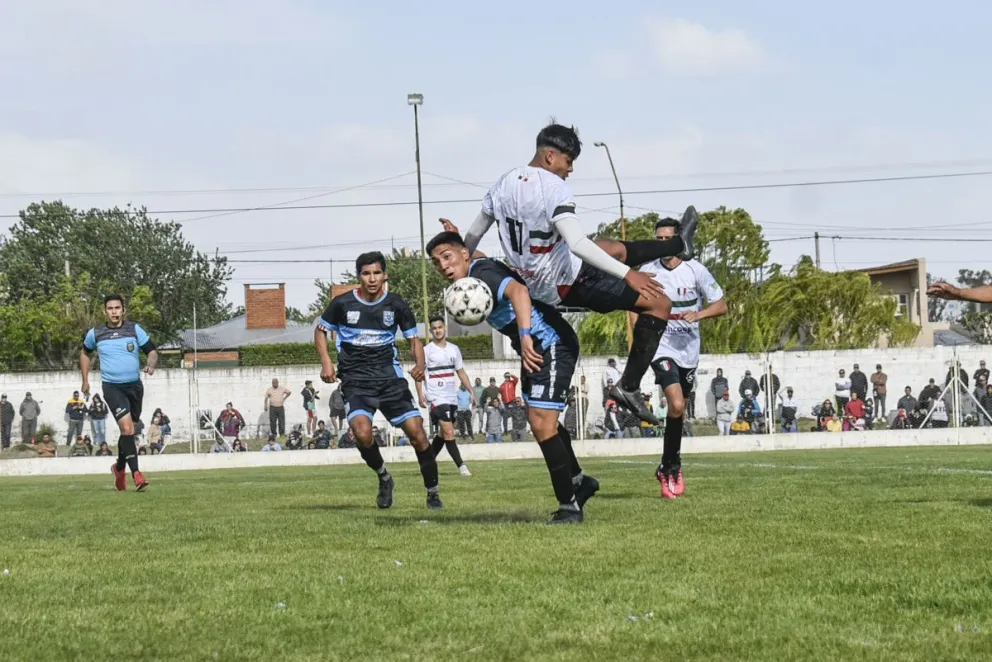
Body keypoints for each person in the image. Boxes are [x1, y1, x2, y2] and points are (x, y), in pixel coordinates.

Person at [440, 122, 698, 425]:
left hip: (535, 275)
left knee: (611, 247)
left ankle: (681, 244)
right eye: (568, 161)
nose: (570, 169)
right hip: (565, 282)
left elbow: (475, 233)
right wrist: (628, 274)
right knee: (659, 304)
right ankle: (628, 387)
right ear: (550, 156)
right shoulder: (554, 188)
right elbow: (576, 244)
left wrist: (461, 254)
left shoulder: (504, 183)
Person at [428, 231, 599, 523]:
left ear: (464, 255)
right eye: (436, 262)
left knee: (541, 424)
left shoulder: (483, 274)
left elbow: (519, 292)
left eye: (448, 256)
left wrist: (525, 337)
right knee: (547, 423)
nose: (443, 265)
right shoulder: (475, 272)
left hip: (550, 342)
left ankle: (569, 507)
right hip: (533, 348)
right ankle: (580, 482)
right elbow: (477, 256)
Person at [314, 251, 443, 510]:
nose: (371, 278)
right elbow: (320, 330)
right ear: (358, 276)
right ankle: (384, 477)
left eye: (376, 273)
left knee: (418, 434)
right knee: (362, 434)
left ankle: (433, 492)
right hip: (356, 380)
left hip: (389, 380)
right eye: (366, 273)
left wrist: (420, 364)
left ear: (385, 275)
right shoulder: (342, 304)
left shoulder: (396, 304)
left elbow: (413, 341)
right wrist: (326, 360)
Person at [638, 216, 727, 499]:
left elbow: (722, 305)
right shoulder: (648, 271)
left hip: (689, 350)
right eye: (659, 240)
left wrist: (698, 314)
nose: (662, 244)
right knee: (675, 403)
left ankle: (667, 465)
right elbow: (631, 302)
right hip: (661, 346)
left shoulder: (695, 270)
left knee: (680, 411)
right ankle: (673, 467)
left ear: (679, 240)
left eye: (668, 239)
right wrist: (639, 333)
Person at [80, 294, 157, 492]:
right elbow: (84, 353)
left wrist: (150, 364)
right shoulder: (96, 333)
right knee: (127, 429)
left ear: (124, 310)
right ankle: (137, 475)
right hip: (112, 387)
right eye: (110, 308)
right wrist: (85, 380)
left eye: (117, 308)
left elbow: (152, 351)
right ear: (104, 311)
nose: (114, 311)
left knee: (129, 432)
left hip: (135, 387)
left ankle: (119, 468)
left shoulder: (134, 329)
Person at [416, 316, 474, 476]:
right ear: (431, 331)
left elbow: (460, 371)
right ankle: (462, 467)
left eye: (440, 327)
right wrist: (420, 393)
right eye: (434, 328)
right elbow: (418, 373)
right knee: (449, 431)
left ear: (445, 328)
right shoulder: (426, 351)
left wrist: (471, 391)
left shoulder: (454, 349)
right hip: (436, 397)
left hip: (451, 397)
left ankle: (427, 462)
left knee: (444, 432)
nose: (437, 330)